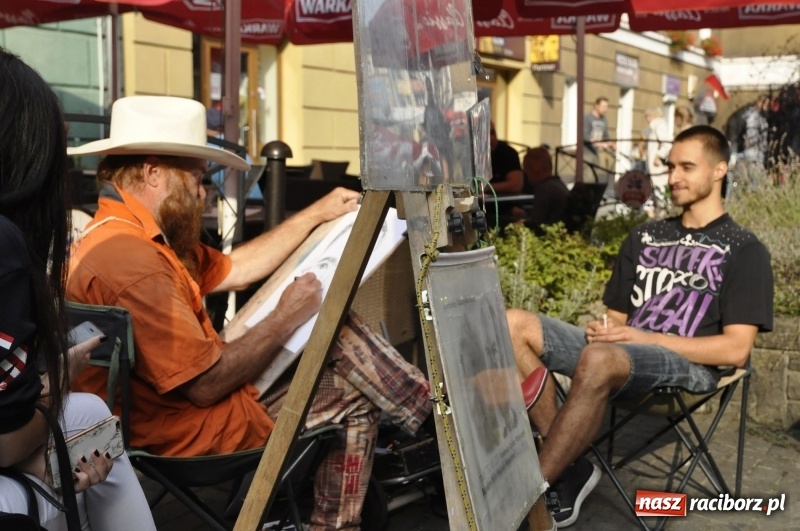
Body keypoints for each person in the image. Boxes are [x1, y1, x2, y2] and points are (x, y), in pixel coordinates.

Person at [66, 95, 432, 531]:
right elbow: (206, 386)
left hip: (170, 419)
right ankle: (434, 426)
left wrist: (315, 215)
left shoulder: (126, 235)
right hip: (186, 435)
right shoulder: (134, 261)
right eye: (198, 179)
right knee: (346, 367)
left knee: (339, 339)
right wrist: (285, 317)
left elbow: (236, 269)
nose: (204, 192)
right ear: (153, 173)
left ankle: (423, 421)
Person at [506, 125, 773, 528]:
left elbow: (736, 350)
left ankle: (531, 492)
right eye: (670, 166)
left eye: (687, 167)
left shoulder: (744, 249)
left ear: (720, 171)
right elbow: (617, 319)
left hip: (686, 366)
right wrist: (604, 330)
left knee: (598, 358)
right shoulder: (646, 235)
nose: (674, 176)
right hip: (619, 354)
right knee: (512, 324)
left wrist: (640, 339)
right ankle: (571, 466)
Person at [0, 48, 155, 530]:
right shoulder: (7, 243)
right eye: (197, 176)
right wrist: (57, 379)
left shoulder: (112, 240)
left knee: (87, 414)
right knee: (86, 427)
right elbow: (5, 439)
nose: (205, 190)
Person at [512, 147, 569, 235]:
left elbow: (536, 225)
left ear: (533, 170)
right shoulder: (558, 184)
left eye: (526, 170)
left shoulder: (544, 190)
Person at [489, 122, 523, 194]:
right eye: (485, 134)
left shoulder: (507, 153)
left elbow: (516, 185)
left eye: (492, 133)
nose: (490, 138)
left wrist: (485, 188)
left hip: (503, 203)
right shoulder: (467, 152)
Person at [583, 97, 616, 170]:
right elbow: (585, 137)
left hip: (596, 153)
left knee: (595, 177)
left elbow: (606, 136)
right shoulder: (587, 118)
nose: (606, 109)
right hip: (586, 152)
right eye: (603, 106)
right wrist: (600, 144)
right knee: (588, 178)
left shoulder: (604, 120)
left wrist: (612, 144)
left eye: (607, 107)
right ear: (596, 106)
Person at [643, 107, 672, 188]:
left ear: (652, 116)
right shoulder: (654, 127)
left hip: (657, 165)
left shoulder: (658, 125)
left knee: (659, 189)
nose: (646, 119)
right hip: (654, 164)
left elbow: (667, 144)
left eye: (647, 116)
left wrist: (659, 156)